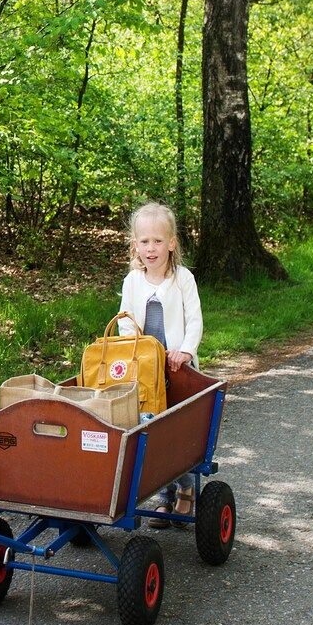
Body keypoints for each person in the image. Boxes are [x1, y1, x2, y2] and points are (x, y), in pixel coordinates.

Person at [117, 202, 202, 524]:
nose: (151, 248)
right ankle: (164, 495)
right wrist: (134, 352)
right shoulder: (133, 281)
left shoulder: (183, 279)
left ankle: (185, 488)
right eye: (144, 241)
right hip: (146, 368)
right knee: (150, 427)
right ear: (135, 245)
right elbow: (126, 323)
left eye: (157, 241)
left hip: (178, 366)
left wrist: (185, 351)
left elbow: (194, 321)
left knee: (176, 431)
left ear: (171, 243)